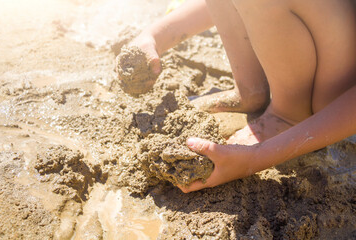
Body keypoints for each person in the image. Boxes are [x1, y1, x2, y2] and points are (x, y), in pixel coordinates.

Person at [130, 0, 356, 192]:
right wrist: (156, 36)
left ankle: (290, 113)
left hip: (337, 91)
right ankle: (250, 88)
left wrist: (257, 158)